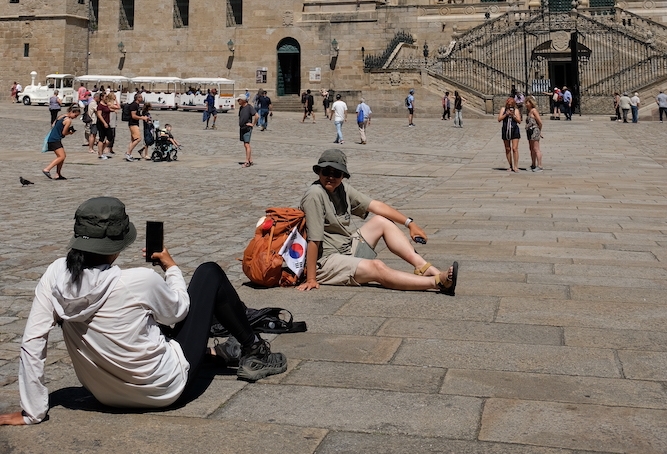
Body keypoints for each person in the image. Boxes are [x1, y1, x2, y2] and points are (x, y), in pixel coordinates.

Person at [0, 197, 287, 428]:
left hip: (104, 394)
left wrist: (32, 411)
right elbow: (178, 311)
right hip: (164, 389)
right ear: (118, 243)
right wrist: (171, 268)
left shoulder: (54, 276)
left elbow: (32, 343)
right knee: (208, 273)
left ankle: (218, 354)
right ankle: (255, 350)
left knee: (144, 318)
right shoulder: (137, 280)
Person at [298, 149, 458, 295]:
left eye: (337, 173)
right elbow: (314, 240)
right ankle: (436, 282)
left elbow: (376, 206)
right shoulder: (315, 194)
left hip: (346, 248)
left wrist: (410, 223)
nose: (331, 177)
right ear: (318, 171)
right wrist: (311, 278)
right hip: (325, 262)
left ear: (343, 176)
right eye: (326, 172)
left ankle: (424, 267)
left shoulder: (342, 188)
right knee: (377, 267)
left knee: (382, 221)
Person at [42, 105, 80, 181]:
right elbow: (64, 132)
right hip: (55, 139)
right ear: (72, 112)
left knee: (61, 156)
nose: (75, 117)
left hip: (52, 138)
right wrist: (70, 132)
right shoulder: (68, 120)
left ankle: (58, 174)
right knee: (61, 156)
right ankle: (47, 169)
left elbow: (53, 124)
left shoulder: (61, 116)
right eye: (75, 115)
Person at [498, 97, 522, 173]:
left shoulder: (516, 110)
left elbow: (519, 121)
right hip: (506, 130)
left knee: (515, 148)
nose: (510, 106)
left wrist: (513, 115)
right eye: (509, 105)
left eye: (511, 105)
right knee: (508, 148)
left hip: (514, 130)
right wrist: (506, 114)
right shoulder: (503, 109)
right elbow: (499, 119)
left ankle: (516, 166)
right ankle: (510, 165)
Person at [524, 96, 543, 172]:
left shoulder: (534, 111)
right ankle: (533, 164)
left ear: (531, 103)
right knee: (531, 149)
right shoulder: (528, 112)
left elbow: (540, 122)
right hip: (529, 131)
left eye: (527, 102)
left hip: (534, 130)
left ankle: (540, 165)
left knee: (536, 149)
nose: (526, 104)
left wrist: (539, 131)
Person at [123, 93, 144, 161]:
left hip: (135, 123)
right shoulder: (134, 105)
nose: (142, 98)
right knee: (138, 139)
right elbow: (133, 116)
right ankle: (128, 153)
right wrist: (142, 118)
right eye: (140, 97)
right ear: (137, 98)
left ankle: (129, 154)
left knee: (133, 140)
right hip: (133, 124)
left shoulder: (137, 105)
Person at [238, 95, 256, 167]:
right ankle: (250, 159)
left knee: (247, 144)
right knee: (245, 144)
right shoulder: (241, 108)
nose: (238, 101)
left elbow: (257, 115)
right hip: (242, 128)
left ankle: (247, 162)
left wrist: (253, 124)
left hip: (247, 128)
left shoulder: (249, 107)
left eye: (239, 100)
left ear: (243, 100)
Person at [96, 94, 112, 161]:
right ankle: (100, 154)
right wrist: (104, 123)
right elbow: (99, 115)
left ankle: (101, 151)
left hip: (107, 123)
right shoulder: (100, 105)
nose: (106, 98)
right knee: (101, 138)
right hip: (101, 123)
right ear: (102, 97)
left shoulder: (106, 104)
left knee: (110, 137)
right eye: (105, 97)